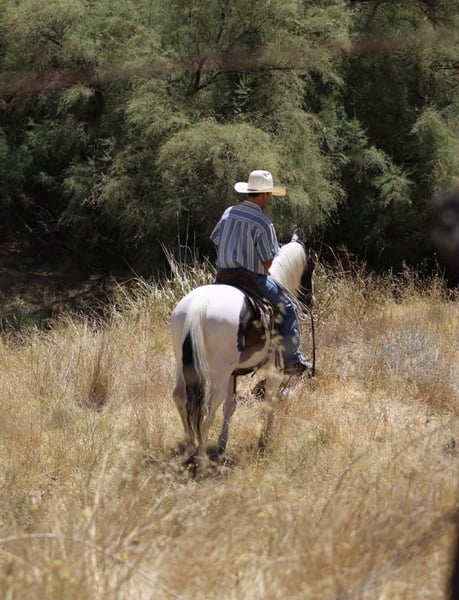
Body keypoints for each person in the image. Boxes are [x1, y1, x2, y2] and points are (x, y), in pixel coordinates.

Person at [210, 169, 311, 375]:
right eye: (270, 194)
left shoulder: (228, 212)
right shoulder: (263, 222)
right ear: (264, 194)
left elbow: (216, 239)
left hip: (222, 276)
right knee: (288, 307)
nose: (270, 198)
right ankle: (292, 360)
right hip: (250, 278)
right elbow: (268, 263)